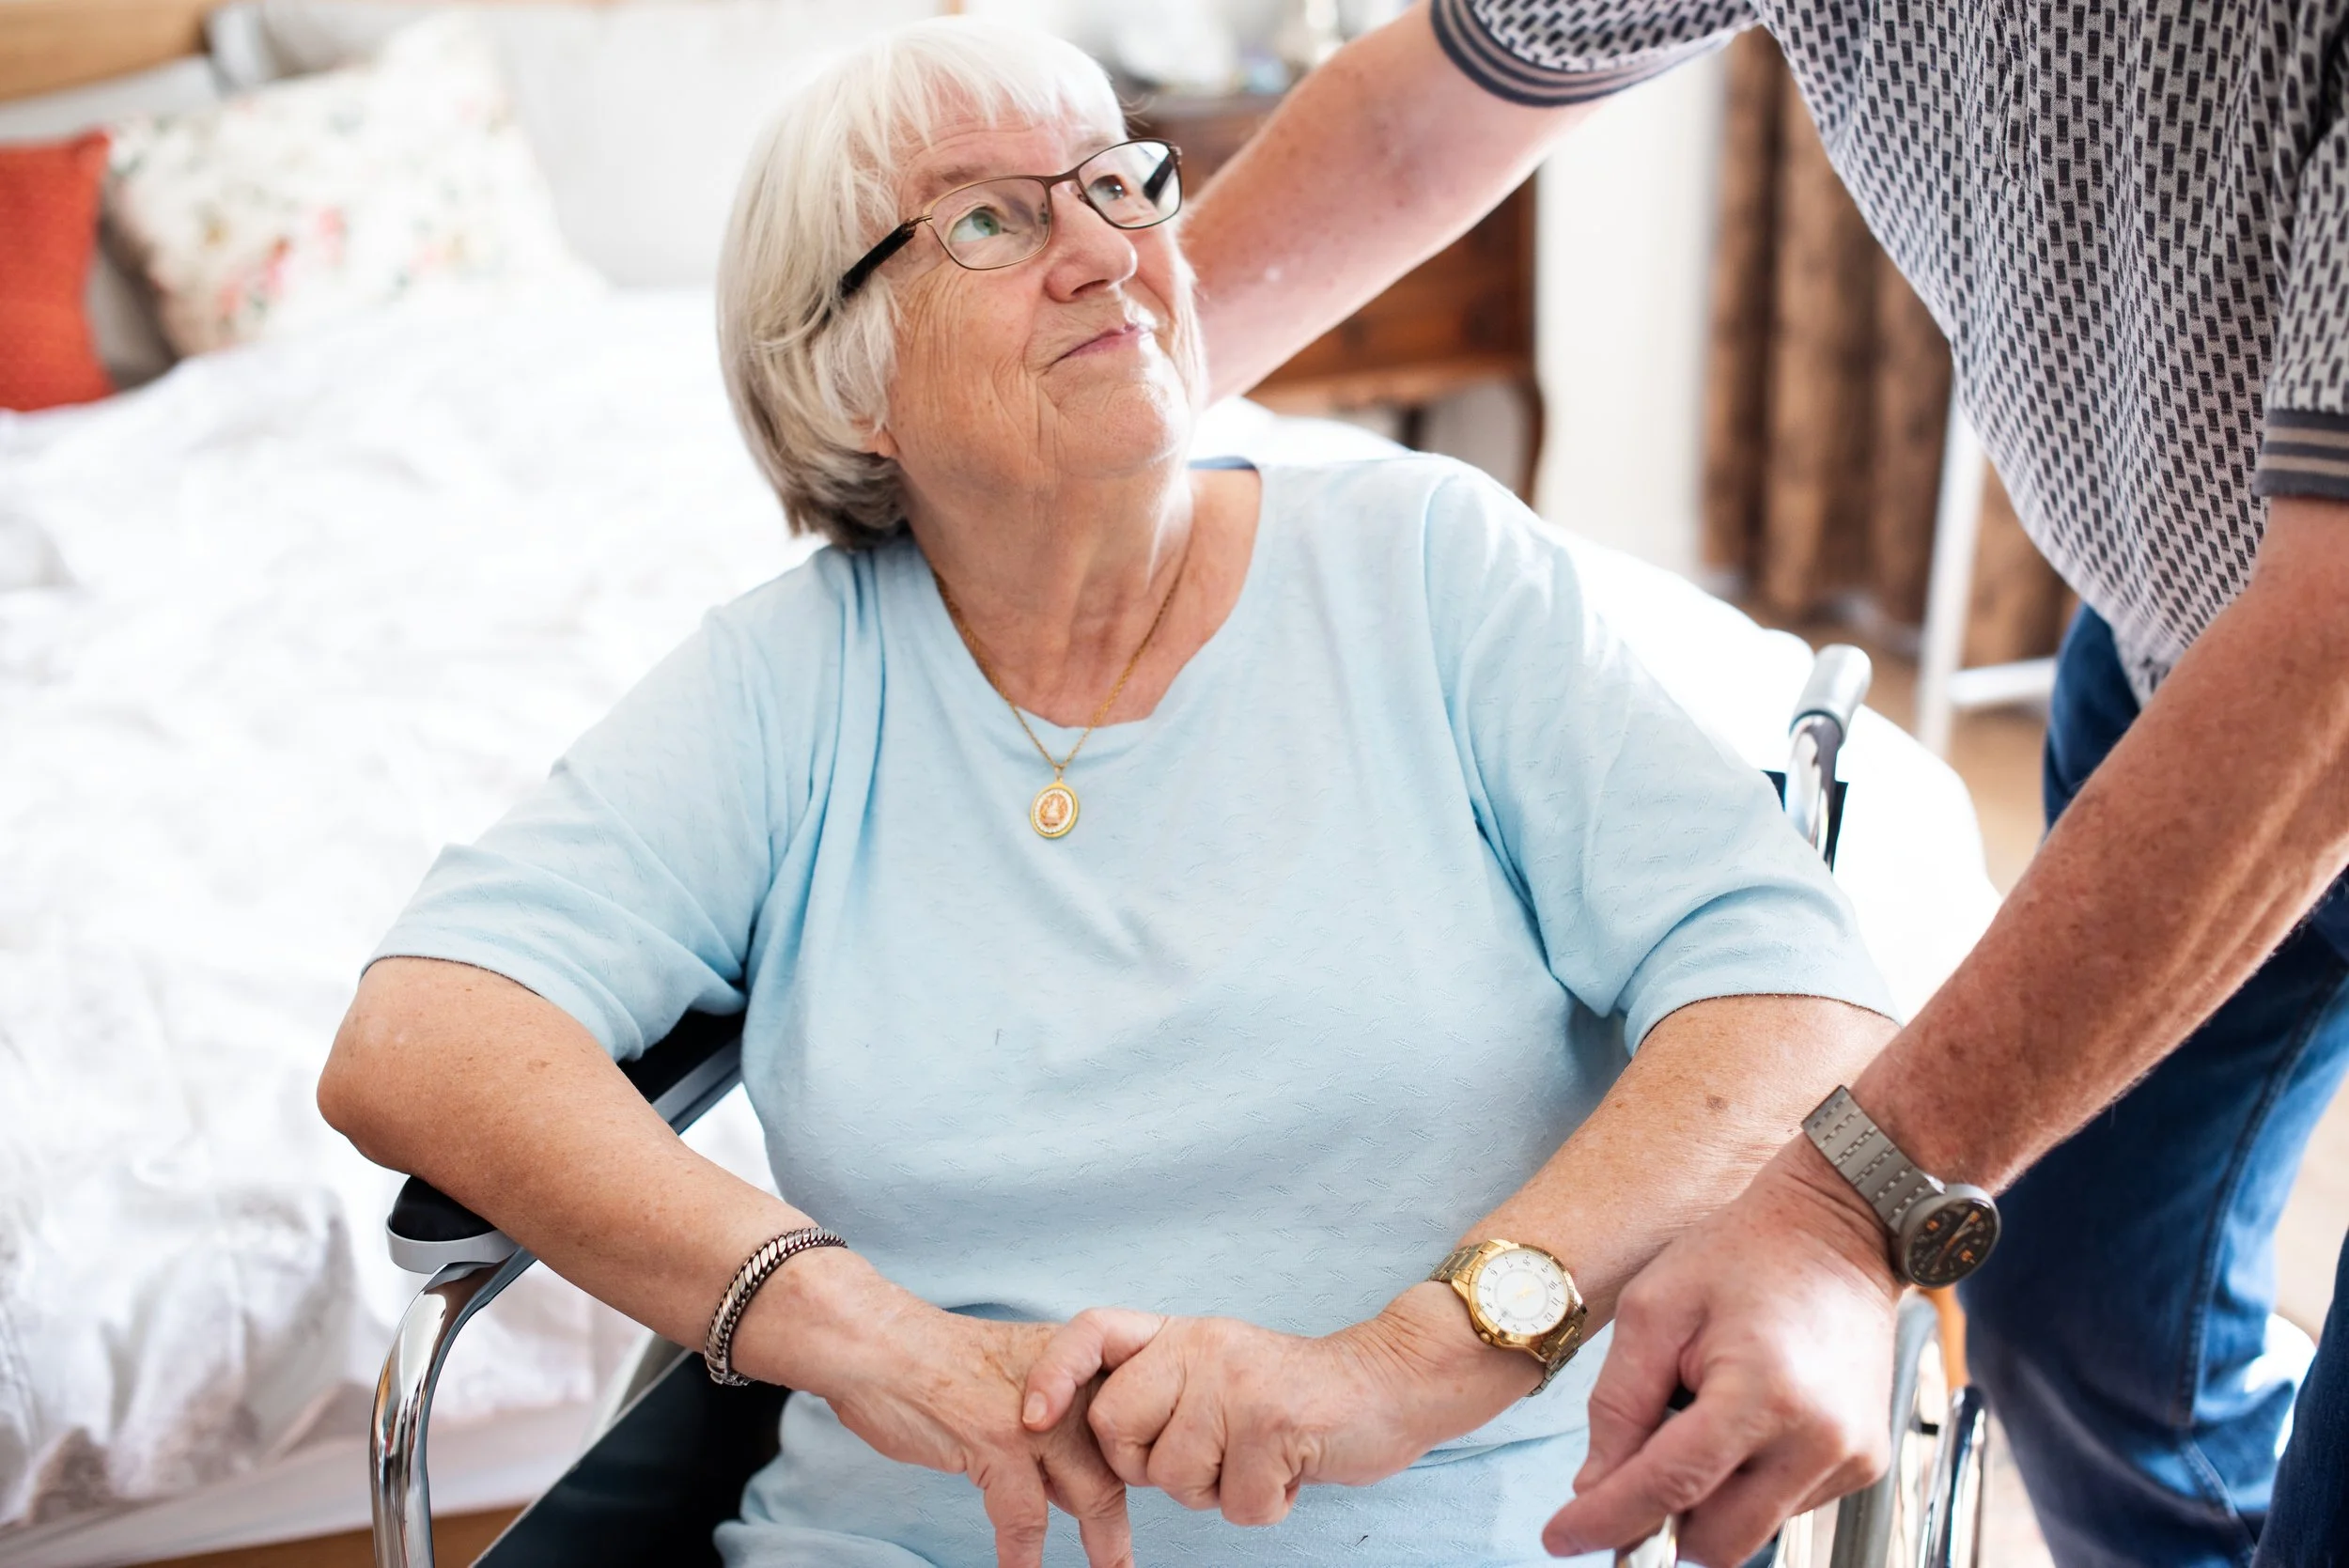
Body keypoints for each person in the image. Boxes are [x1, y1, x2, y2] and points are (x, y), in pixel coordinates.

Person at [317, 18, 1905, 1567]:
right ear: (848, 376)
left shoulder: (1424, 571)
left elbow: (1792, 988)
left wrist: (1414, 1359)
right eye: (992, 220)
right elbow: (420, 1033)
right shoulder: (791, 683)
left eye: (1118, 185)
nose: (1102, 250)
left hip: (1442, 1519)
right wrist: (862, 1336)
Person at [1164, 2, 2349, 1563]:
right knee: (2074, 1331)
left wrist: (1849, 1201)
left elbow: (2330, 659)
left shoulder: (1444, 563)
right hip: (2179, 652)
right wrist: (1125, 393)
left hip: (2303, 669)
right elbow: (1421, 113)